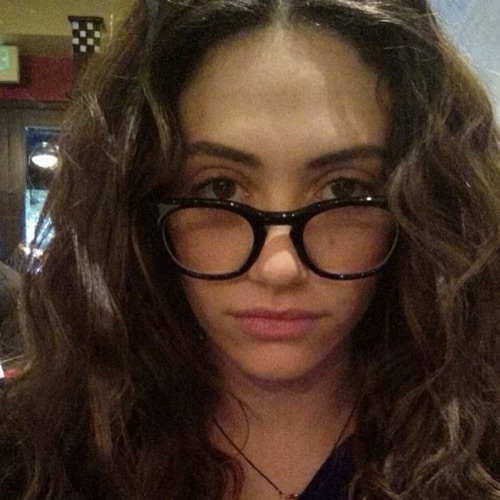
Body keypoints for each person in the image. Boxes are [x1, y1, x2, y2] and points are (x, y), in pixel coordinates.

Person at [0, 0, 499, 498]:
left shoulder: (484, 451)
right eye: (219, 188)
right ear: (138, 206)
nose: (279, 267)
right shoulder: (39, 456)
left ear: (421, 208)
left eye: (344, 189)